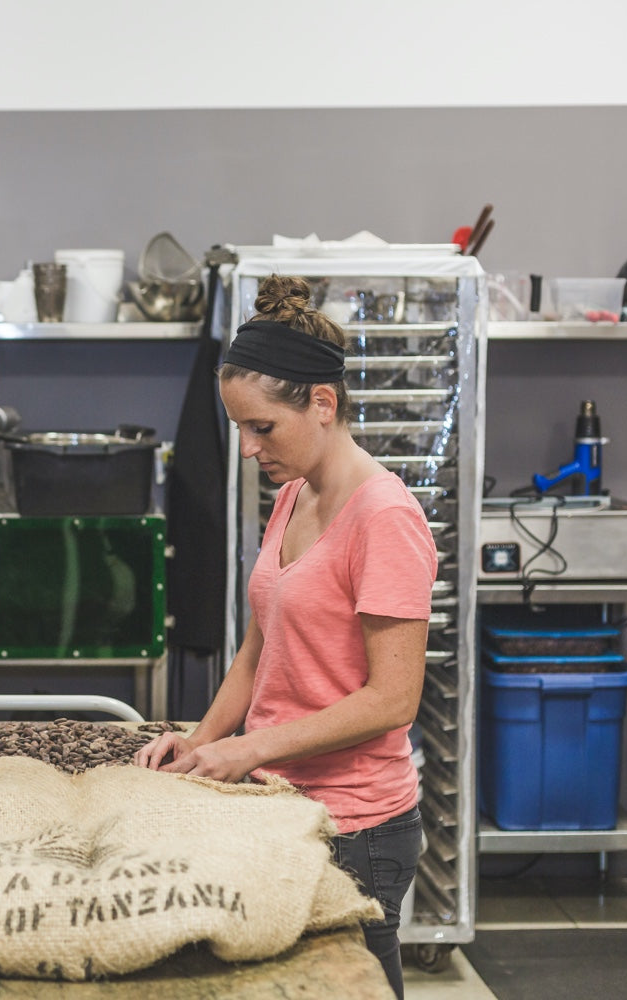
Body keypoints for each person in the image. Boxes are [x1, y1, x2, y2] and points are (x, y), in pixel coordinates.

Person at [134, 274, 435, 998]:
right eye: (239, 427)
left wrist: (250, 748)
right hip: (281, 804)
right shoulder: (295, 493)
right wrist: (204, 742)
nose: (246, 449)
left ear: (323, 404)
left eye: (260, 427)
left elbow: (393, 700)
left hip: (355, 828)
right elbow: (258, 648)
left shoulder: (384, 518)